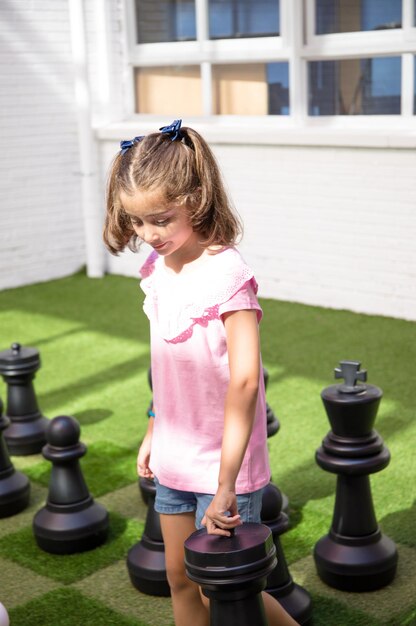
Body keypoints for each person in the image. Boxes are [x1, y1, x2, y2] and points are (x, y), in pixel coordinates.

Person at [103, 120, 299, 626]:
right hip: (173, 456)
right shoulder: (156, 271)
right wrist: (152, 428)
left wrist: (227, 485)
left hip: (223, 470)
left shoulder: (229, 275)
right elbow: (165, 370)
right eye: (138, 222)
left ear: (195, 196)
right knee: (180, 579)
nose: (148, 235)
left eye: (160, 220)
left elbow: (245, 382)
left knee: (226, 593)